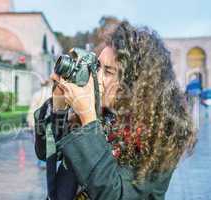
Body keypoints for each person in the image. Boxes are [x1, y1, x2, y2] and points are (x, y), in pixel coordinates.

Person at [34, 21, 197, 200]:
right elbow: (46, 152)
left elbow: (115, 194)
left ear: (137, 83)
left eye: (109, 72)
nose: (97, 77)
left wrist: (89, 120)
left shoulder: (160, 137)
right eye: (97, 67)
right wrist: (58, 106)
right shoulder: (100, 109)